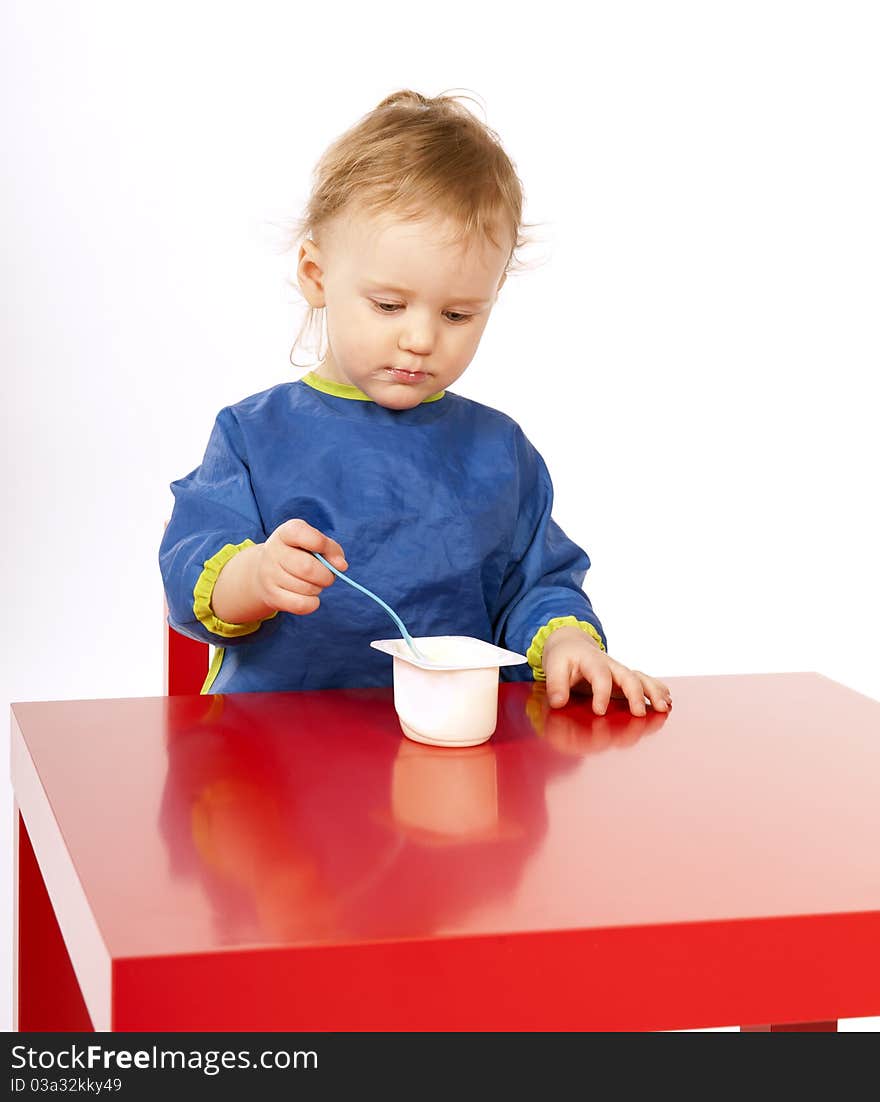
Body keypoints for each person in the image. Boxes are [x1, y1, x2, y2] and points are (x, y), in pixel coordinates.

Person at [159, 88, 672, 716]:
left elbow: (536, 586)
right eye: (389, 305)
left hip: (458, 762)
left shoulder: (498, 450)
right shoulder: (252, 433)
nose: (422, 338)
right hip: (275, 754)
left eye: (458, 313)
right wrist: (256, 576)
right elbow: (189, 573)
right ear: (317, 277)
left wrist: (567, 640)